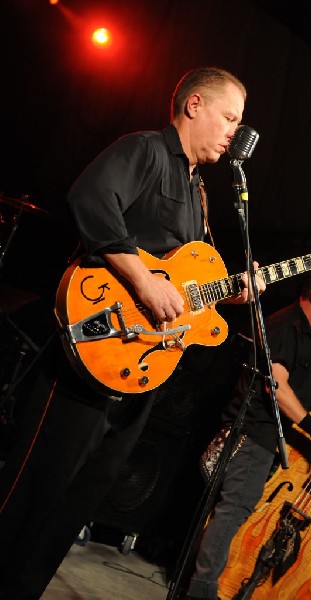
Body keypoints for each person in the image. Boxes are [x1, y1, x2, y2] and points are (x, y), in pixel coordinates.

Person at [0, 66, 265, 600]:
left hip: (140, 368)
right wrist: (142, 282)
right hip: (93, 343)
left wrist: (231, 290)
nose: (235, 133)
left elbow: (184, 281)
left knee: (80, 496)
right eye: (230, 118)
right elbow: (91, 199)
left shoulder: (201, 194)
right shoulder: (144, 150)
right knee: (36, 487)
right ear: (195, 105)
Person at [184, 268, 311, 600]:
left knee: (238, 511)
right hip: (252, 435)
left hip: (267, 441)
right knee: (234, 510)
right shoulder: (282, 326)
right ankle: (200, 592)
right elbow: (275, 388)